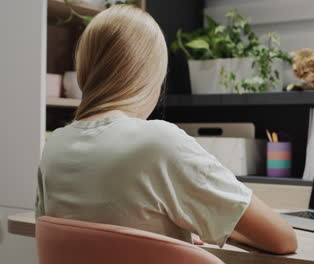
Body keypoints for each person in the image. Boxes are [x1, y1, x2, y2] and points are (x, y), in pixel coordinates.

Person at [35, 5, 297, 254]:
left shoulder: (55, 146)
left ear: (84, 72)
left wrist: (171, 224)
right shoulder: (158, 142)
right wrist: (205, 220)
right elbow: (282, 238)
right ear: (148, 76)